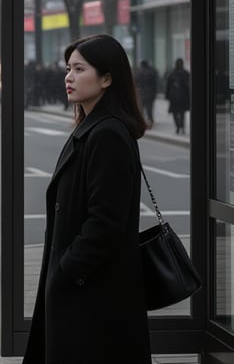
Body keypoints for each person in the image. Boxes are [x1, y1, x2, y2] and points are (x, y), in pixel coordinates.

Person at [24, 35, 150, 363]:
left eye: (79, 69)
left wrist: (66, 271)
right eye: (68, 68)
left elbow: (106, 221)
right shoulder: (93, 128)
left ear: (107, 78)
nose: (68, 76)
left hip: (93, 295)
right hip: (87, 290)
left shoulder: (107, 134)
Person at [165, 58, 191, 134]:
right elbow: (188, 86)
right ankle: (181, 127)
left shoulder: (172, 73)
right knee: (181, 113)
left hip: (174, 97)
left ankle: (178, 127)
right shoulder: (185, 73)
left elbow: (168, 86)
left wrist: (167, 96)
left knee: (175, 113)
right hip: (182, 97)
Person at [134, 59, 159, 126]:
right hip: (150, 93)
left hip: (142, 93)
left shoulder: (139, 72)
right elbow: (155, 83)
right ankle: (150, 121)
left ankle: (142, 122)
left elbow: (135, 82)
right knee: (149, 108)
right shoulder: (152, 71)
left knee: (141, 108)